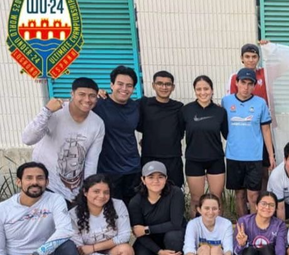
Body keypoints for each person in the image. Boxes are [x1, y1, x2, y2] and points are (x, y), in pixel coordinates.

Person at [21, 77, 104, 206]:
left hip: (72, 192)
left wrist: (88, 189)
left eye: (92, 96)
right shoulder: (55, 112)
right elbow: (28, 139)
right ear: (72, 94)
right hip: (45, 185)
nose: (87, 100)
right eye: (82, 94)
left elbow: (91, 162)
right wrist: (46, 111)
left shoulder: (97, 123)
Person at [69, 174, 134, 255]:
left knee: (126, 250)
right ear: (85, 192)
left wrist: (94, 247)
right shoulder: (73, 215)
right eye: (96, 191)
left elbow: (125, 236)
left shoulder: (118, 205)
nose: (101, 196)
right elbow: (80, 250)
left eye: (106, 192)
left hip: (110, 250)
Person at [221, 68, 275, 217]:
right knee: (239, 194)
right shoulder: (226, 101)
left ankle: (255, 225)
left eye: (250, 84)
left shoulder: (260, 103)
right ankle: (242, 225)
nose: (246, 87)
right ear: (237, 83)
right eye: (243, 82)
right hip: (234, 155)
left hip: (254, 156)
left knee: (253, 195)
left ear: (254, 86)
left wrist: (271, 155)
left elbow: (266, 130)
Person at [129, 161, 185, 255]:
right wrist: (160, 252)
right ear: (143, 180)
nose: (156, 181)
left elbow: (176, 224)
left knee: (174, 236)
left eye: (160, 177)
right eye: (151, 177)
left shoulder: (175, 193)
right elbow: (138, 232)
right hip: (152, 238)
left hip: (171, 233)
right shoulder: (135, 202)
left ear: (166, 178)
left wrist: (147, 229)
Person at [226, 43, 274, 191]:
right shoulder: (234, 77)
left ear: (258, 58)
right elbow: (231, 106)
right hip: (244, 132)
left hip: (261, 128)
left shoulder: (265, 73)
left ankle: (263, 200)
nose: (251, 60)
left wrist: (270, 47)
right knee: (240, 187)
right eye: (247, 56)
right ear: (242, 58)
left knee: (264, 172)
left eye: (254, 56)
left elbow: (284, 65)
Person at [94, 65, 141, 205]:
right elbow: (76, 104)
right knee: (111, 209)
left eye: (129, 85)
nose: (124, 89)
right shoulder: (98, 104)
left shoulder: (136, 107)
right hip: (108, 169)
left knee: (132, 208)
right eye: (120, 84)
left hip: (133, 168)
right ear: (111, 85)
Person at [182, 75, 228, 217]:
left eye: (206, 89)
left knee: (216, 199)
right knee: (196, 199)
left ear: (212, 90)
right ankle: (194, 228)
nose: (203, 92)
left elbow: (228, 135)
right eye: (199, 89)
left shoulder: (220, 111)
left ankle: (219, 229)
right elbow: (177, 133)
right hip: (194, 159)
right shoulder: (186, 110)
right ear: (195, 91)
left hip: (215, 159)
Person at [138, 71, 185, 188]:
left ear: (173, 87)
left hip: (173, 158)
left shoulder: (179, 107)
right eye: (160, 83)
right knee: (149, 192)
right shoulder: (144, 104)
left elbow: (182, 129)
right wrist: (103, 95)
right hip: (149, 157)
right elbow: (123, 104)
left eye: (168, 84)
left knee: (175, 191)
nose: (164, 87)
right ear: (153, 85)